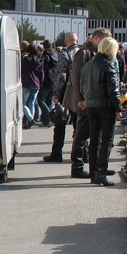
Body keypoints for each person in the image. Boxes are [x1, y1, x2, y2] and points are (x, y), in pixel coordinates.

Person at [66, 29, 109, 178]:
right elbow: (76, 77)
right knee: (81, 134)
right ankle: (77, 167)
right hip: (84, 101)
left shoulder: (93, 52)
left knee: (91, 135)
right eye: (104, 40)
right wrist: (80, 99)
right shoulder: (83, 52)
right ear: (96, 38)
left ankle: (95, 166)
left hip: (90, 100)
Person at [81, 37, 121, 186]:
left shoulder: (88, 65)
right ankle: (101, 171)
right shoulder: (108, 65)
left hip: (91, 104)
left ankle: (94, 171)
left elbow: (82, 85)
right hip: (105, 105)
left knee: (94, 139)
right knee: (107, 140)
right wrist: (118, 108)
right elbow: (113, 89)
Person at [43, 33, 78, 163]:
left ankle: (57, 153)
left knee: (60, 123)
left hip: (67, 93)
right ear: (77, 40)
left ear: (66, 41)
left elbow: (61, 76)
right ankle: (81, 154)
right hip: (81, 94)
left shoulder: (64, 55)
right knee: (79, 126)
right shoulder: (84, 53)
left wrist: (57, 94)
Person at [21, 43, 44, 128]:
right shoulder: (40, 60)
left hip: (27, 83)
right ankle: (31, 119)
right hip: (36, 83)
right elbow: (41, 73)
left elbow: (22, 70)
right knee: (32, 102)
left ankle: (30, 119)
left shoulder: (25, 59)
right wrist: (40, 83)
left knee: (23, 104)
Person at [38, 39, 58, 125]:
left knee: (40, 99)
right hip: (54, 79)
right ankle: (47, 121)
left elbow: (42, 68)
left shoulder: (45, 55)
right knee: (49, 100)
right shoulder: (55, 54)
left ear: (44, 46)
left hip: (47, 79)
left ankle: (51, 115)